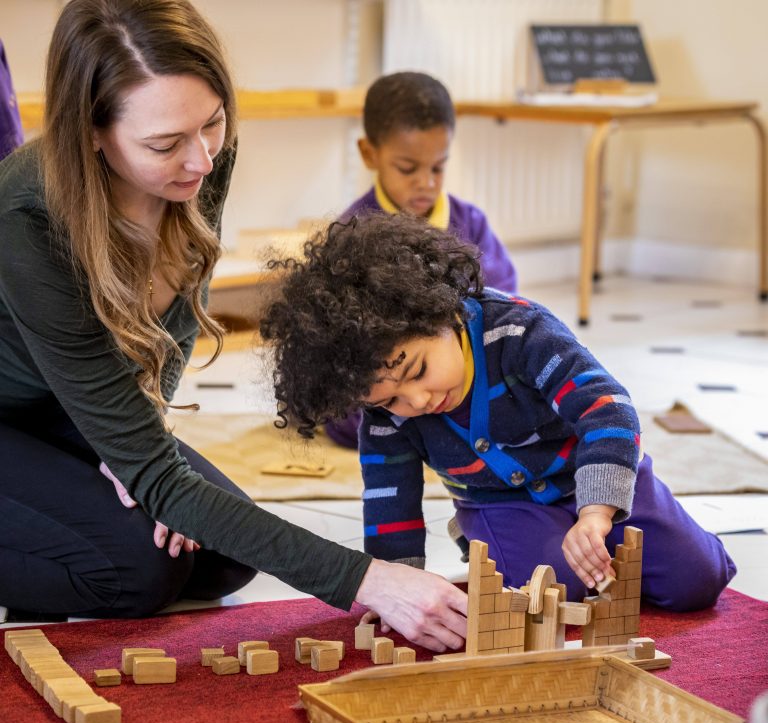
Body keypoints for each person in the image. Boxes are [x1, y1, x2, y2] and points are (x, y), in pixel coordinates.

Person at [0, 0, 468, 652]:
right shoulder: (27, 222)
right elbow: (160, 481)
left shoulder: (202, 154)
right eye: (165, 145)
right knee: (137, 573)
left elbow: (178, 305)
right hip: (12, 408)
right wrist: (370, 582)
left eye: (212, 124)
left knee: (223, 557)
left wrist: (138, 434)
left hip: (59, 396)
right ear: (93, 136)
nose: (199, 161)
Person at [260, 213, 737, 611]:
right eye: (390, 399)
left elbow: (609, 411)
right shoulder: (386, 415)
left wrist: (596, 512)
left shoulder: (522, 333)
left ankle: (610, 525)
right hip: (499, 503)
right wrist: (397, 587)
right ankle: (479, 535)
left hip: (591, 474)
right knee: (550, 596)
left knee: (697, 582)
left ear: (441, 311)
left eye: (419, 369)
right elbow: (391, 504)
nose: (417, 402)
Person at [325, 70, 517, 449]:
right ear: (369, 153)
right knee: (347, 421)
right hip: (391, 377)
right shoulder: (352, 232)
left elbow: (504, 305)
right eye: (408, 169)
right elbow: (342, 338)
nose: (426, 183)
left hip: (459, 368)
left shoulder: (470, 224)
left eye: (438, 167)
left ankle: (437, 420)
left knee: (518, 386)